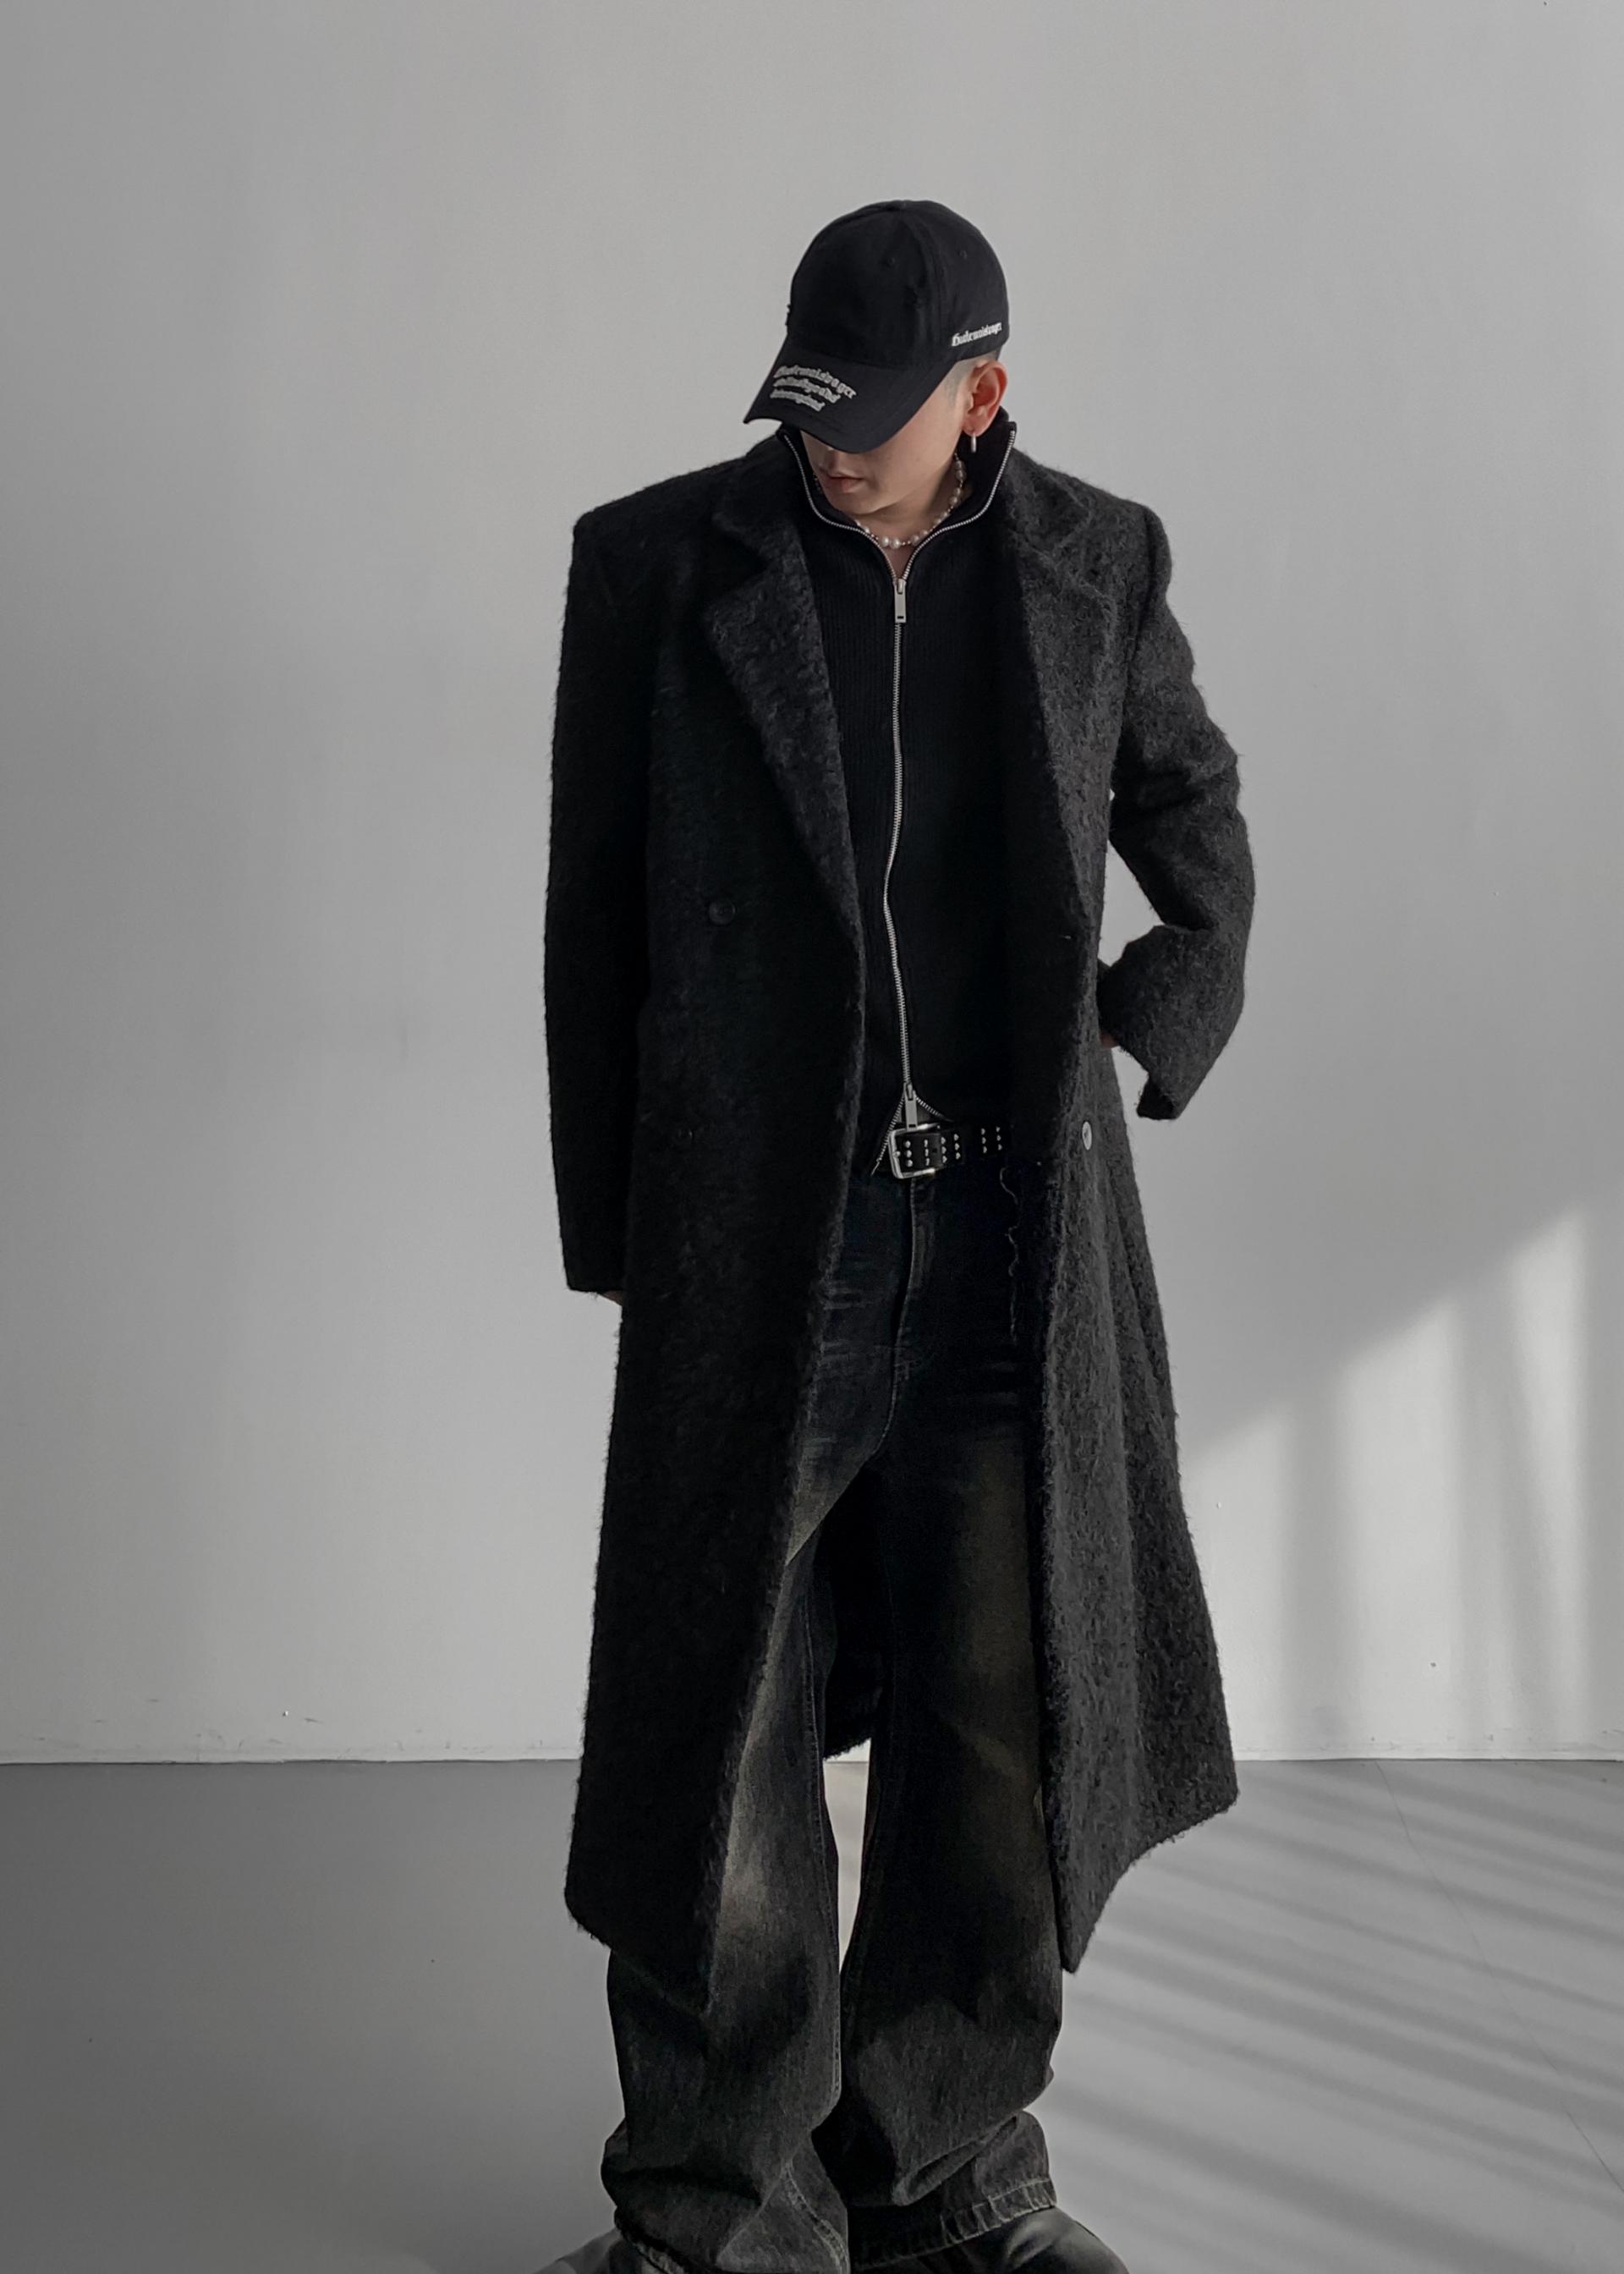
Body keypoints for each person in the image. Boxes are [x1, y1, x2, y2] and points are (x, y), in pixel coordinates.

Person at [541, 199, 1255, 2274]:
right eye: (806, 404)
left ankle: (941, 2173)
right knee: (719, 1744)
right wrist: (632, 1230)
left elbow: (1194, 815)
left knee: (1000, 1728)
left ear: (984, 392)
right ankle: (715, 2211)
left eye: (872, 413)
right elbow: (597, 921)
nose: (831, 446)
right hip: (769, 1244)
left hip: (1015, 1250)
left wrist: (1156, 1014)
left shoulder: (1098, 563)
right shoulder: (661, 567)